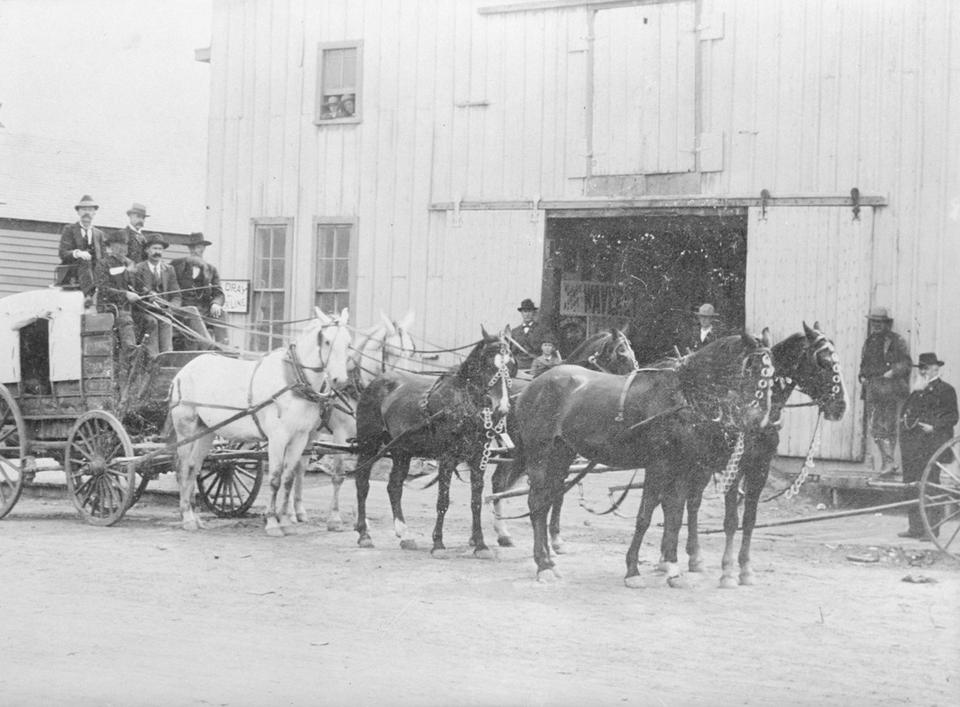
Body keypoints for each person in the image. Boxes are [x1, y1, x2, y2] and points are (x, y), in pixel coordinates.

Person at [898, 353, 958, 539]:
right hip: (913, 446)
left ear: (935, 369)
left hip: (932, 446)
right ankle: (915, 528)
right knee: (912, 485)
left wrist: (934, 426)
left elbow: (953, 417)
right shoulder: (917, 390)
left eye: (926, 368)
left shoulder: (946, 390)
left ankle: (931, 530)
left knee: (931, 486)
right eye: (921, 368)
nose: (922, 371)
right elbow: (907, 415)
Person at [858, 306, 912, 476]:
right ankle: (888, 462)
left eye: (880, 322)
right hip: (872, 388)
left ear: (886, 323)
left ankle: (888, 463)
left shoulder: (896, 341)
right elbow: (864, 364)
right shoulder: (869, 341)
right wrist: (862, 376)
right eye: (874, 322)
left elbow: (906, 364)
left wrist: (893, 372)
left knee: (887, 426)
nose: (876, 325)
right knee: (875, 427)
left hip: (889, 389)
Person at [134, 233, 209, 352]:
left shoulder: (169, 270)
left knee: (191, 310)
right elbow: (136, 293)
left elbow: (176, 295)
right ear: (147, 250)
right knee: (164, 321)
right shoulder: (138, 269)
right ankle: (163, 356)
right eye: (154, 248)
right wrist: (150, 300)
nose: (157, 252)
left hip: (166, 309)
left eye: (160, 249)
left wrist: (171, 307)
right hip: (147, 310)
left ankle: (208, 346)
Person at [94, 230, 154, 376]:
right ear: (111, 247)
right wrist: (125, 294)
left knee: (151, 321)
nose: (122, 249)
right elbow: (103, 289)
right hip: (112, 309)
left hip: (130, 308)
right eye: (118, 245)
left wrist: (148, 293)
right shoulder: (103, 264)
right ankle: (132, 357)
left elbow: (138, 286)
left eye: (125, 245)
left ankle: (149, 358)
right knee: (126, 322)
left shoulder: (129, 265)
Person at [171, 232, 227, 346]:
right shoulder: (176, 265)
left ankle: (223, 346)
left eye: (197, 247)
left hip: (204, 310)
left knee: (221, 313)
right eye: (191, 248)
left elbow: (219, 294)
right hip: (183, 309)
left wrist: (216, 304)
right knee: (193, 311)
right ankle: (209, 346)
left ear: (203, 249)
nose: (194, 251)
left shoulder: (211, 270)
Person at [56, 194, 105, 300]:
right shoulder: (69, 229)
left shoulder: (99, 234)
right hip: (72, 274)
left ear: (94, 213)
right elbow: (63, 253)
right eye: (84, 209)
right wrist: (78, 253)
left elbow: (103, 259)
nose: (87, 213)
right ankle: (89, 294)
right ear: (78, 212)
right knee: (85, 260)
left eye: (90, 210)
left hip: (95, 275)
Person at [510, 298, 549, 370]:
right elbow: (510, 351)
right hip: (517, 367)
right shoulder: (514, 332)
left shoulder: (542, 330)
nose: (527, 314)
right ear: (521, 313)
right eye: (525, 311)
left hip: (536, 366)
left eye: (529, 311)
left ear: (533, 313)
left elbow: (549, 349)